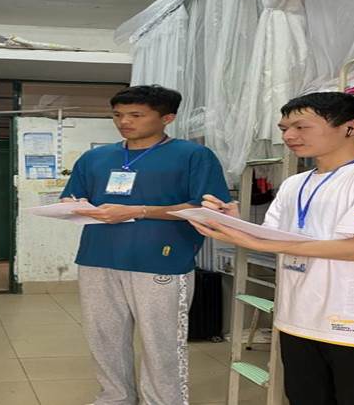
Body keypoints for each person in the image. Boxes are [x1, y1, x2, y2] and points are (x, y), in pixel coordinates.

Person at [189, 92, 354, 405]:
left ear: (351, 127)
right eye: (284, 128)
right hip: (299, 321)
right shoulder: (295, 183)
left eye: (301, 127)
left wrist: (253, 241)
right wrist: (235, 222)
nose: (289, 136)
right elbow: (274, 238)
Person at [60, 85, 231, 405]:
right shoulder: (95, 157)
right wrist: (73, 205)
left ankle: (163, 401)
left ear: (167, 118)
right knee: (104, 337)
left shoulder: (193, 156)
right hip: (97, 258)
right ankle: (115, 398)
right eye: (118, 115)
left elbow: (207, 208)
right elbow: (73, 197)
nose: (124, 122)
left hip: (162, 261)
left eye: (136, 115)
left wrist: (138, 211)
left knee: (161, 342)